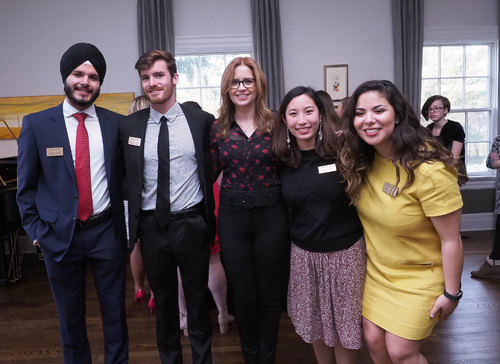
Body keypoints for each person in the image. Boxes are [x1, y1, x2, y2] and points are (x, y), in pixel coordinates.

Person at [16, 42, 129, 363]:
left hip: (106, 232)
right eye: (79, 74)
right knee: (70, 317)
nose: (85, 82)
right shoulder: (37, 125)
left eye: (93, 77)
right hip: (58, 235)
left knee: (115, 315)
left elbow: (124, 179)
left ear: (99, 84)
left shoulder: (115, 124)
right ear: (66, 77)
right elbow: (26, 188)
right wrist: (37, 232)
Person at [339, 80, 465, 364]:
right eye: (359, 113)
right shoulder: (363, 160)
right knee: (373, 341)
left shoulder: (431, 171)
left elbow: (451, 238)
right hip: (378, 273)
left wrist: (452, 292)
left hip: (420, 275)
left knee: (401, 351)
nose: (368, 119)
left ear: (397, 114)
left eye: (378, 110)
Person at [120, 50, 216, 364]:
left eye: (158, 75)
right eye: (145, 78)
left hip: (191, 223)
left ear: (174, 78)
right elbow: (123, 175)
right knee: (163, 303)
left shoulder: (201, 121)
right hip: (151, 226)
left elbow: (210, 166)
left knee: (198, 300)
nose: (152, 83)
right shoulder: (130, 126)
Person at [273, 86, 365, 364]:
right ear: (285, 120)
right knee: (315, 326)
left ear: (321, 115)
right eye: (293, 113)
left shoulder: (345, 152)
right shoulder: (280, 160)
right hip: (304, 256)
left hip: (345, 255)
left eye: (309, 111)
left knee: (345, 327)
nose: (302, 120)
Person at [210, 57, 290, 364]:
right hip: (232, 218)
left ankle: (266, 358)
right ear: (227, 87)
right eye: (235, 82)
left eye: (248, 81)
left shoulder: (278, 122)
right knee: (242, 296)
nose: (241, 87)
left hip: (272, 215)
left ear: (258, 85)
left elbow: (293, 164)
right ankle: (250, 357)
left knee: (270, 294)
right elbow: (208, 172)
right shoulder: (217, 128)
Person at [177, 100, 234, 336]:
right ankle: (222, 313)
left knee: (180, 267)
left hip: (183, 206)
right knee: (213, 261)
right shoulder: (213, 148)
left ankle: (185, 318)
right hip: (212, 203)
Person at [126, 95, 155, 313]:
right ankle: (155, 292)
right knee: (155, 246)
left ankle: (138, 288)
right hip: (153, 199)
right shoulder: (155, 135)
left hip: (129, 197)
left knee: (135, 245)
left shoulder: (125, 135)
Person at [471, 135, 500, 278]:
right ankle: (493, 264)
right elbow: (491, 162)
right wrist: (496, 162)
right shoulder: (499, 140)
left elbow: (497, 162)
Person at [421, 95, 467, 177]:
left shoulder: (455, 128)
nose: (432, 111)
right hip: (431, 172)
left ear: (445, 110)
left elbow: (454, 158)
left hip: (451, 172)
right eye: (430, 109)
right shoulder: (428, 129)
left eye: (436, 108)